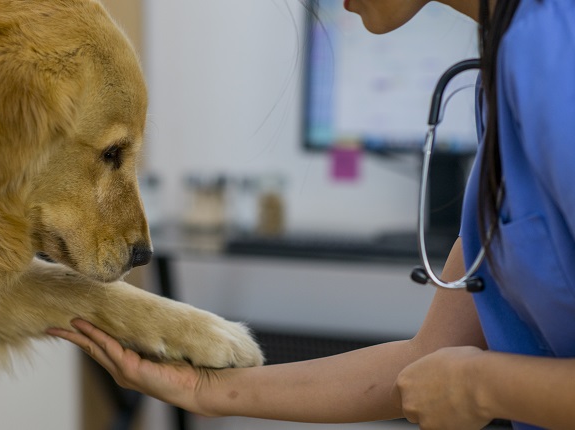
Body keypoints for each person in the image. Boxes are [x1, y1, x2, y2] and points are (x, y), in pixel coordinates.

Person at [47, 0, 575, 428]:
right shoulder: (509, 68)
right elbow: (428, 357)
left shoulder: (553, 49)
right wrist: (204, 390)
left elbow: (455, 373)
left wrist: (480, 387)